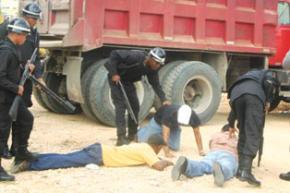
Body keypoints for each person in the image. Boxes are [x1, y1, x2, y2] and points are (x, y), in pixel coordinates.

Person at [105, 48, 170, 146]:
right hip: (116, 79)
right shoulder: (135, 57)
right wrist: (114, 73)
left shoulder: (152, 70)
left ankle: (132, 134)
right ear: (150, 58)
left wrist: (164, 99)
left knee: (135, 106)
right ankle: (121, 138)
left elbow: (156, 85)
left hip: (128, 82)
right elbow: (114, 54)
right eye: (156, 63)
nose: (157, 66)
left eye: (160, 64)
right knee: (121, 107)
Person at [10, 134, 173, 173]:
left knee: (67, 157)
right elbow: (158, 166)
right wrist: (168, 162)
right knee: (66, 161)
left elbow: (151, 159)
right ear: (157, 146)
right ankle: (29, 163)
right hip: (99, 155)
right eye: (160, 147)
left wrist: (160, 158)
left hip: (99, 150)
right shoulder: (147, 150)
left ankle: (32, 156)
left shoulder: (141, 145)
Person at [3, 2, 43, 159]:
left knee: (22, 116)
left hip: (24, 81)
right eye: (34, 18)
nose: (35, 22)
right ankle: (4, 148)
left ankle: (17, 148)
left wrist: (38, 74)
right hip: (10, 81)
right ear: (27, 16)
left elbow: (36, 56)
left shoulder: (34, 33)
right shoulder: (9, 29)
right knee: (6, 118)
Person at [227, 69, 280, 187]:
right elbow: (269, 83)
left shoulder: (248, 75)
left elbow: (233, 110)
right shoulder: (267, 73)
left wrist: (231, 124)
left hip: (235, 94)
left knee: (244, 132)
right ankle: (246, 171)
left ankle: (241, 170)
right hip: (253, 96)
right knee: (253, 132)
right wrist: (268, 101)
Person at [0, 18, 33, 181]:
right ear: (17, 34)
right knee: (2, 132)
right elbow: (1, 77)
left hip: (11, 97)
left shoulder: (13, 49)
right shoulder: (6, 50)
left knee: (27, 118)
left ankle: (20, 151)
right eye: (25, 35)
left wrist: (25, 68)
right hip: (4, 99)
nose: (26, 38)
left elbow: (13, 71)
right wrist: (16, 88)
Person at [171, 124, 238, 187]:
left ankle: (187, 165)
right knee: (227, 165)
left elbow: (210, 144)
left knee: (204, 165)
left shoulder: (216, 135)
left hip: (213, 152)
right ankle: (222, 171)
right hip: (228, 154)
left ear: (222, 130)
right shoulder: (236, 139)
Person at [137, 104, 204, 157]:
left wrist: (201, 150)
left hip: (173, 126)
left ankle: (158, 135)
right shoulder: (169, 113)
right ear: (177, 114)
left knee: (175, 147)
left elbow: (197, 133)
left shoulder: (193, 116)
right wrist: (167, 153)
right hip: (158, 123)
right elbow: (166, 134)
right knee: (142, 140)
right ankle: (140, 130)